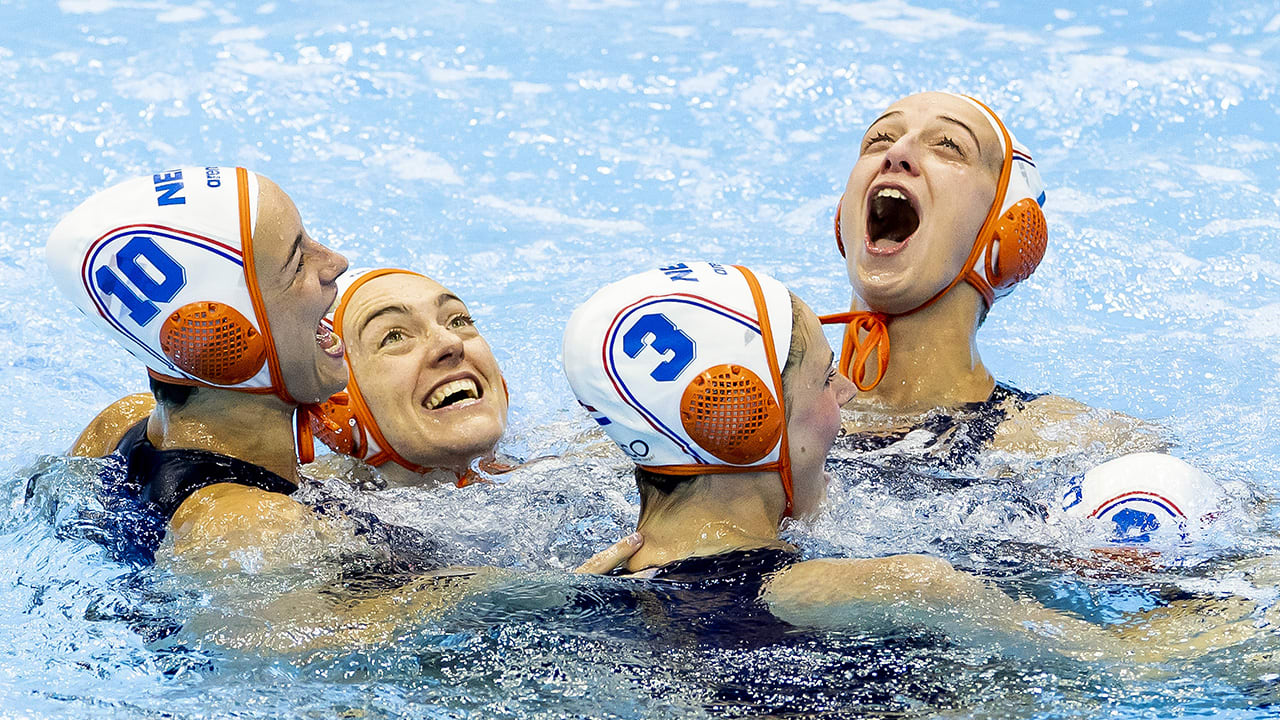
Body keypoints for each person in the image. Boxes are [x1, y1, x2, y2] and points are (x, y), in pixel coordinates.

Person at [561, 262, 1257, 668]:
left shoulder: (589, 591)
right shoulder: (895, 584)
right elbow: (1128, 663)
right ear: (745, 421)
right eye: (824, 379)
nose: (845, 393)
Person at [47, 167, 635, 576]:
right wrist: (546, 598)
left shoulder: (121, 427)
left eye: (458, 319)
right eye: (298, 259)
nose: (335, 262)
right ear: (223, 340)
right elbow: (296, 659)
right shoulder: (247, 528)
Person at [823, 92, 1160, 462]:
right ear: (844, 216)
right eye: (879, 140)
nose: (896, 152)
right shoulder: (777, 406)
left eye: (949, 146)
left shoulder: (1068, 441)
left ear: (1006, 234)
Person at [304, 268, 510, 488]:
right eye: (394, 337)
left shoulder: (537, 466)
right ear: (336, 408)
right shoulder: (306, 504)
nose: (450, 343)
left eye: (458, 321)